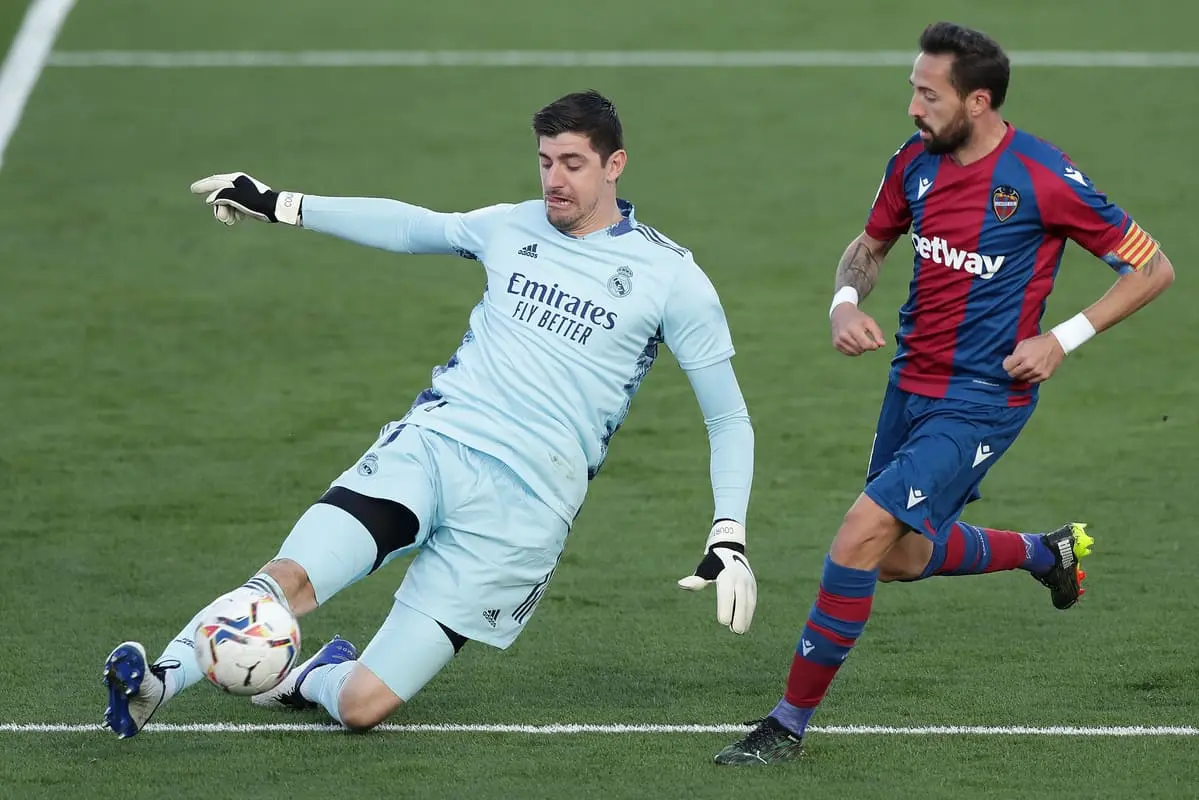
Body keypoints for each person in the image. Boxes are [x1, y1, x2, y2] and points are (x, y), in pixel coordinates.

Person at [101, 89, 758, 738]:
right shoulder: (511, 225)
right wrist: (279, 204)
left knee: (362, 706)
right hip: (434, 448)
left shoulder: (671, 277)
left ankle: (308, 676)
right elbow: (412, 226)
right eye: (544, 161)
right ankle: (159, 681)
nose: (553, 180)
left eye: (572, 164)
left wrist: (727, 532)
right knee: (289, 580)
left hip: (524, 513)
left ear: (614, 165)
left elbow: (726, 417)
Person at [714, 22, 1174, 765]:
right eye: (912, 90)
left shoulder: (1041, 175)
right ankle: (1040, 552)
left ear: (979, 101)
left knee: (858, 536)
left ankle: (785, 724)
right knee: (893, 557)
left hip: (982, 401)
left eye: (928, 95)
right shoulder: (912, 164)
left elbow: (1152, 269)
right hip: (909, 386)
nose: (912, 108)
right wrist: (841, 302)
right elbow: (869, 247)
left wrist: (1063, 337)